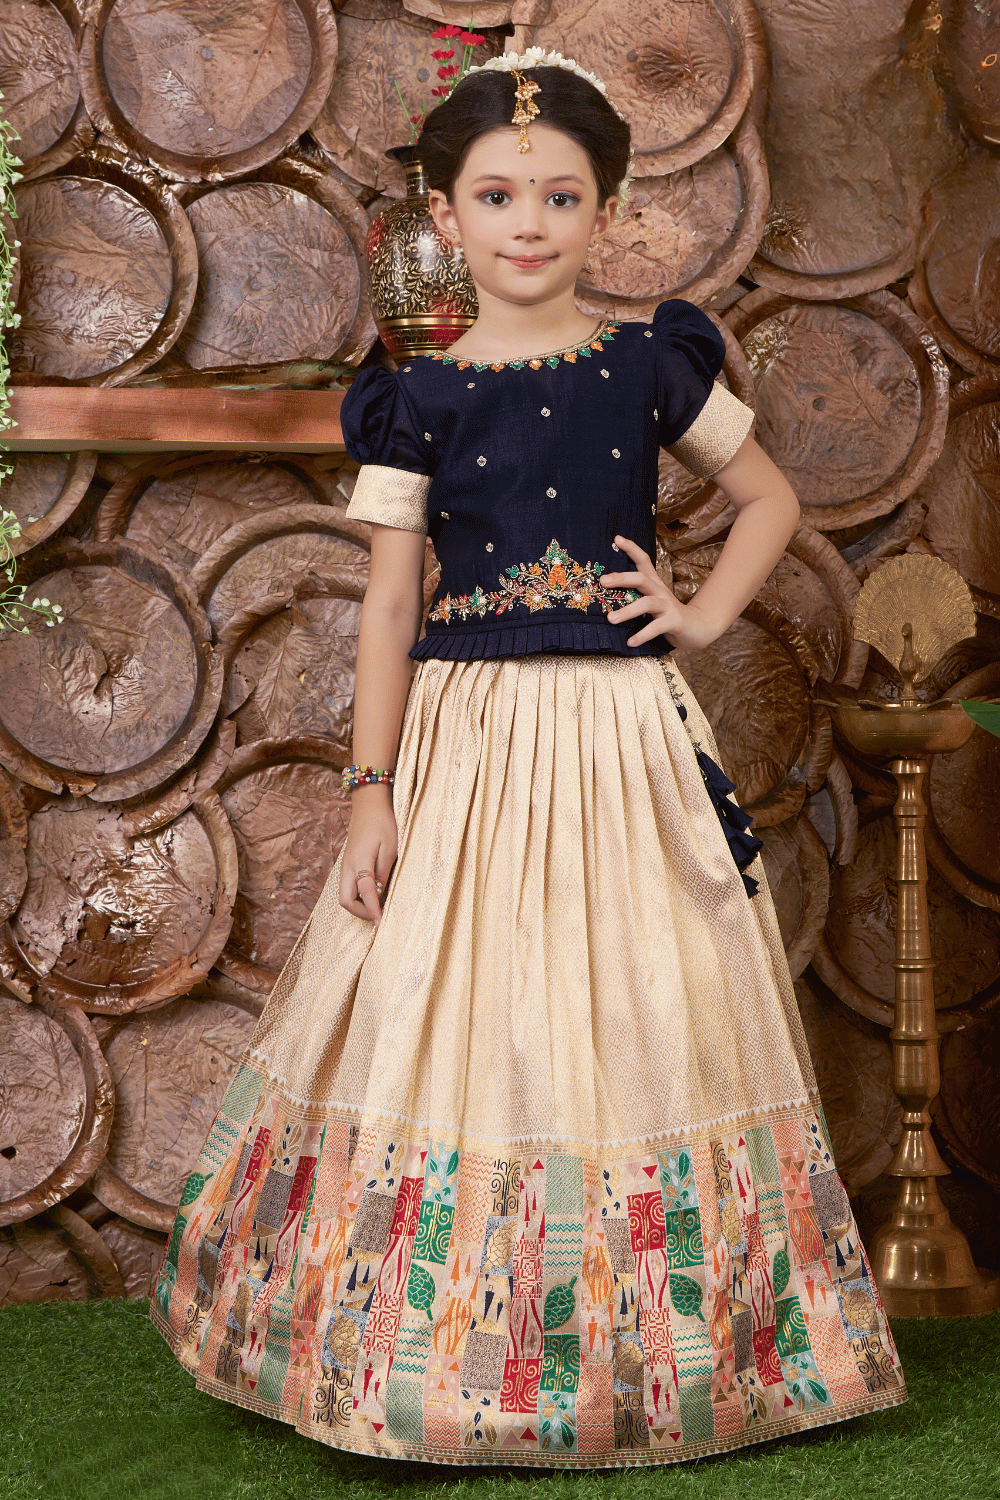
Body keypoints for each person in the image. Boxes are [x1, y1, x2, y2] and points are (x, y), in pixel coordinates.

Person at [149, 51, 907, 1467]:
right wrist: (370, 795)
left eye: (562, 195)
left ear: (607, 209)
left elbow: (767, 498)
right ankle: (433, 1369)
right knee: (457, 1007)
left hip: (620, 737)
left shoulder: (647, 365)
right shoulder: (415, 396)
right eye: (497, 196)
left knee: (643, 1004)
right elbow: (389, 605)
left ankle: (657, 1367)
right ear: (445, 212)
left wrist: (699, 616)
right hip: (469, 742)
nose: (530, 222)